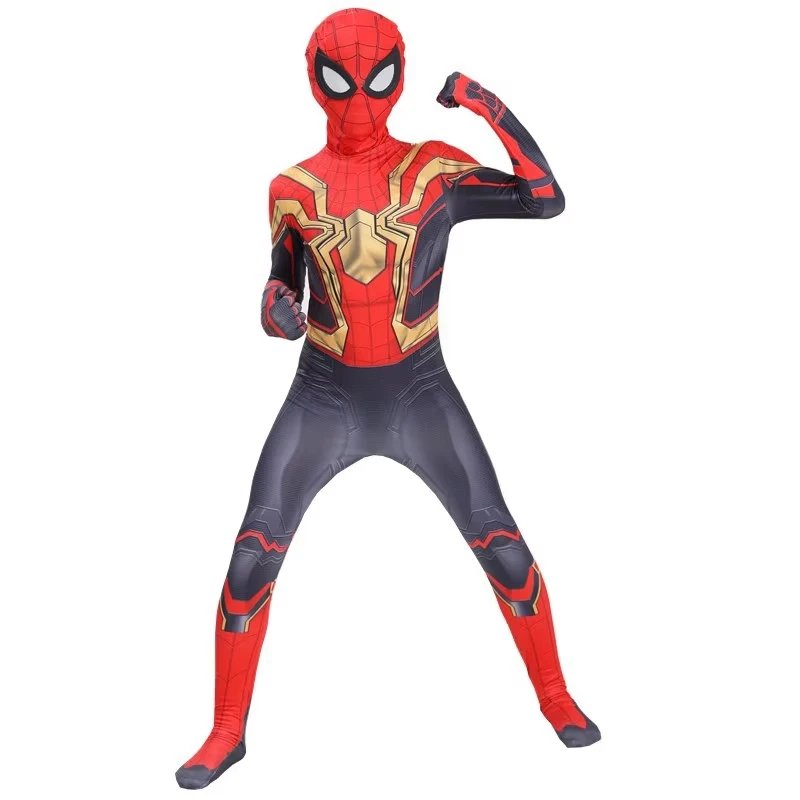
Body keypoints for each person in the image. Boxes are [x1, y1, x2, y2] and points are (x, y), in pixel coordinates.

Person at [176, 7, 600, 790]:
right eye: (340, 80)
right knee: (251, 558)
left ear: (399, 74)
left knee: (501, 544)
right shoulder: (291, 189)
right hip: (324, 394)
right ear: (314, 79)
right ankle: (226, 731)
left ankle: (554, 696)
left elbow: (544, 199)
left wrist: (484, 103)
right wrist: (274, 311)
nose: (359, 98)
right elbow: (280, 281)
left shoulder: (434, 170)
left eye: (376, 78)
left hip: (420, 389)